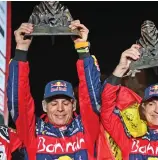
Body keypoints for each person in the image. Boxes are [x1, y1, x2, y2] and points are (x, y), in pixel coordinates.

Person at [7, 20, 101, 160]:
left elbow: (91, 97)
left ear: (74, 105)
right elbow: (19, 102)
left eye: (66, 102)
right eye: (53, 103)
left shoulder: (85, 128)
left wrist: (82, 49)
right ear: (44, 106)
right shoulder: (33, 132)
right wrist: (21, 49)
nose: (60, 108)